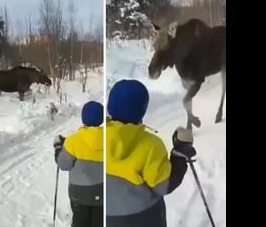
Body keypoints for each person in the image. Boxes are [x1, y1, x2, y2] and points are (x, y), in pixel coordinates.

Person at [106, 79, 196, 227]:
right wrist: (180, 153)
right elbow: (164, 186)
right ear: (142, 109)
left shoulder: (99, 139)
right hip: (144, 218)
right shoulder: (151, 145)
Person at [53, 100, 104, 227]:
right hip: (103, 193)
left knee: (80, 221)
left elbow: (64, 165)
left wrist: (58, 148)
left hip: (79, 194)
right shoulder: (110, 138)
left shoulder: (72, 141)